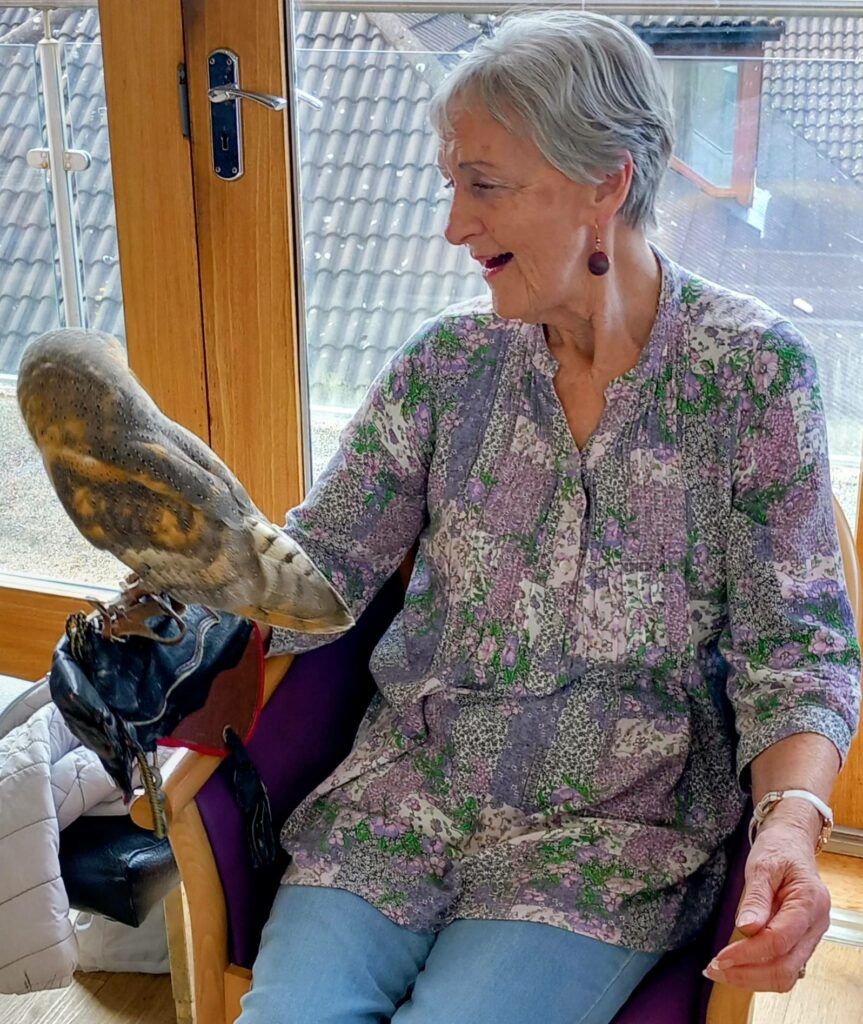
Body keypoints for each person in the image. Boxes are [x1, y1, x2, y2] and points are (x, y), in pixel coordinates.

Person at [240, 11, 861, 1023]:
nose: (452, 225)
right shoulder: (448, 365)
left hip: (610, 835)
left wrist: (791, 823)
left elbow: (794, 648)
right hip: (402, 802)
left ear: (604, 182)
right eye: (451, 184)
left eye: (483, 185)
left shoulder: (749, 376)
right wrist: (192, 572)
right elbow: (323, 562)